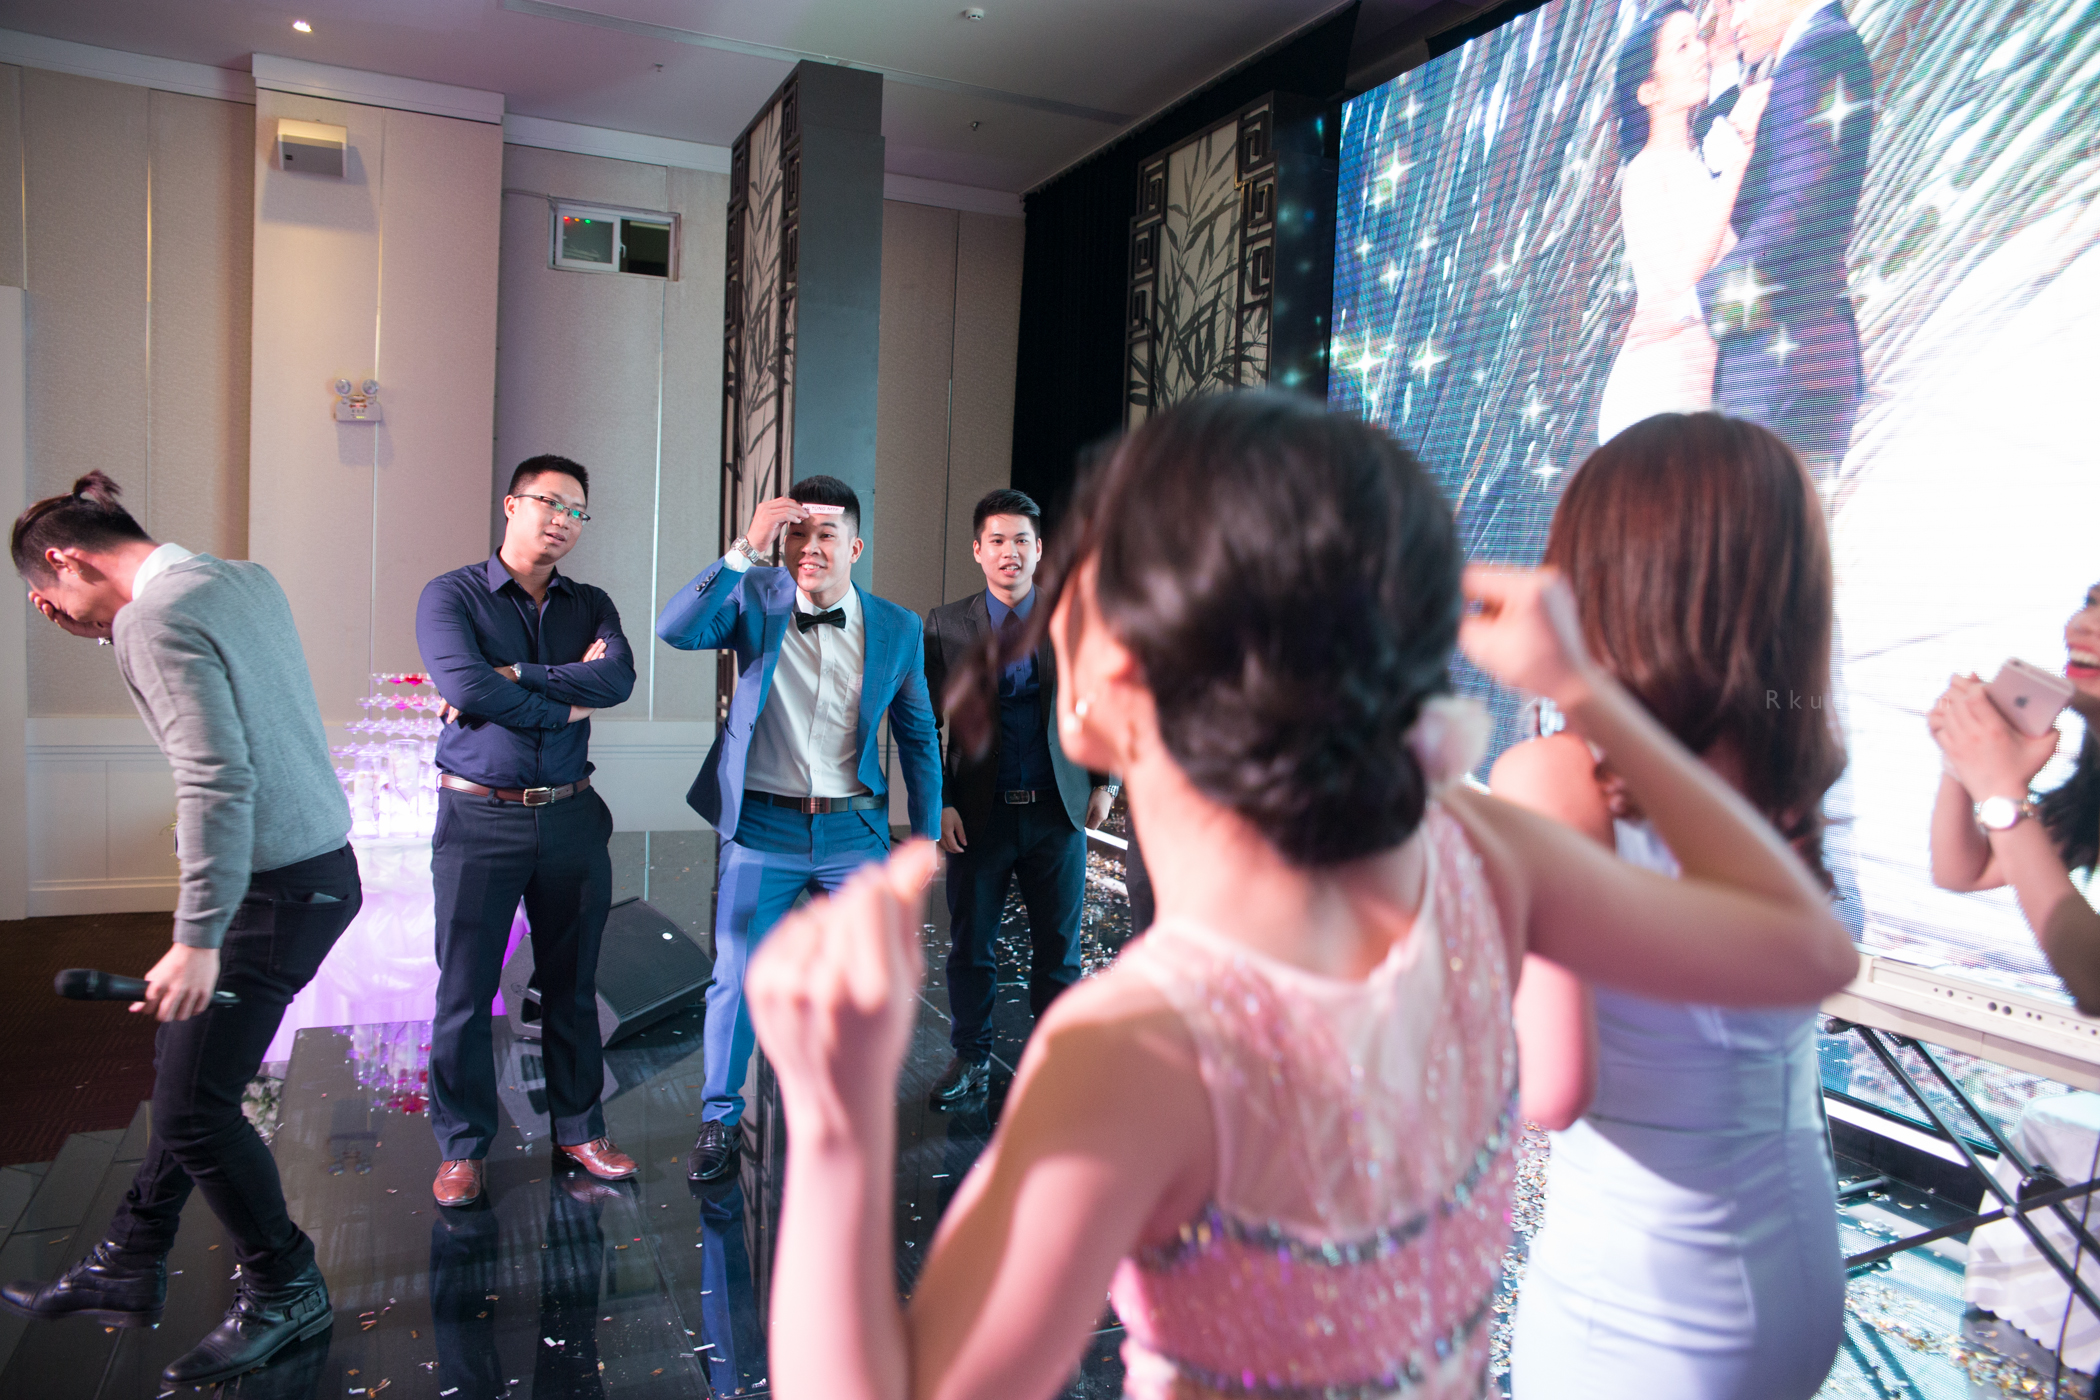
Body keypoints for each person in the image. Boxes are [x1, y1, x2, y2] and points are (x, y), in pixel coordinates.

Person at [735, 392, 1858, 1400]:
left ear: (1109, 672)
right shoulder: (1482, 849)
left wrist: (835, 1117)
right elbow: (1808, 947)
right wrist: (1588, 692)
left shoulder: (1134, 1048)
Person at [1501, 413, 1849, 1398]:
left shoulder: (1553, 774)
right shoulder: (1783, 769)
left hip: (1641, 1299)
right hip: (1798, 1264)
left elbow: (1551, 1086)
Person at [1, 473, 362, 1385]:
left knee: (194, 1110)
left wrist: (196, 937)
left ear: (64, 558)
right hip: (315, 874)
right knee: (185, 1076)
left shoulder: (150, 620)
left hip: (272, 895)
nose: (54, 615)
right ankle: (130, 1255)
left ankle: (286, 1288)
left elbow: (215, 777)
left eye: (46, 597)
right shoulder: (242, 579)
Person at [656, 475, 941, 1183]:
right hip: (762, 829)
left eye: (825, 535)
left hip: (854, 832)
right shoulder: (752, 597)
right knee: (735, 977)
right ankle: (720, 1119)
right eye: (797, 535)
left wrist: (926, 836)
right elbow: (675, 630)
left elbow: (918, 738)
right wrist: (745, 549)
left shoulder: (899, 627)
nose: (809, 548)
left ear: (855, 547)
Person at [415, 454, 638, 1207]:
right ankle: (462, 1148)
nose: (562, 520)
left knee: (572, 988)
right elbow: (463, 685)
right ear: (512, 505)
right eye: (549, 502)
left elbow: (618, 680)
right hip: (479, 816)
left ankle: (580, 1129)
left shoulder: (591, 603)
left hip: (572, 815)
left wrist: (515, 676)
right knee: (465, 991)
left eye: (576, 511)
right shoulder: (450, 595)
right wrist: (568, 699)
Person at [922, 488, 1116, 1106]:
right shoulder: (945, 624)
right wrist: (939, 802)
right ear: (978, 550)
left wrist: (1106, 780)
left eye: (1022, 541)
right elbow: (923, 723)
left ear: (1039, 551)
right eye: (998, 540)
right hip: (977, 817)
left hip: (1058, 811)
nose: (1011, 552)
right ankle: (972, 1058)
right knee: (970, 948)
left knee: (1059, 951)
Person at [1700, 0, 1874, 477]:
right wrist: (1723, 69)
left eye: (1740, 2)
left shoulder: (1816, 53)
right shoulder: (1808, 53)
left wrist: (1700, 302)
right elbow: (1762, 200)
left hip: (1788, 365)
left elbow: (1795, 209)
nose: (1733, 19)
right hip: (1791, 360)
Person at [1596, 4, 1769, 443]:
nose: (1699, 53)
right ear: (1649, 91)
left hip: (1697, 392)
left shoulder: (1693, 161)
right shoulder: (1644, 172)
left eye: (1698, 40)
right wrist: (1737, 164)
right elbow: (1681, 276)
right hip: (1655, 394)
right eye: (1682, 47)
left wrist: (1726, 52)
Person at [1930, 583, 2100, 1009]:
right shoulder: (2091, 793)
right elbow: (1961, 872)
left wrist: (1999, 788)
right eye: (2091, 603)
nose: (2083, 625)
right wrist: (1964, 758)